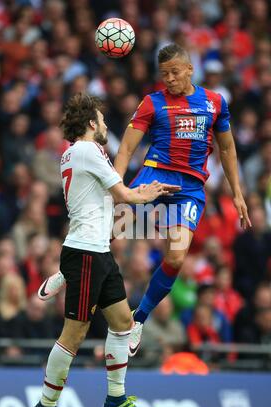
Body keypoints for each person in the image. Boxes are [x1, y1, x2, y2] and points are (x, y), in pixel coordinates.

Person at [38, 43, 251, 359]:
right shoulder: (152, 103)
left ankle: (138, 319)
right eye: (164, 74)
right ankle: (66, 273)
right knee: (112, 231)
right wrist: (117, 187)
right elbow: (124, 150)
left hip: (189, 189)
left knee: (177, 259)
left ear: (190, 70)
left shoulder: (214, 103)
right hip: (154, 178)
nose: (169, 79)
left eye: (175, 73)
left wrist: (237, 192)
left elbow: (229, 150)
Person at [31, 92, 179, 407]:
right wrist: (151, 192)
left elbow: (114, 197)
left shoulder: (75, 154)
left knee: (123, 322)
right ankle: (47, 405)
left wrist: (141, 193)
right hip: (85, 253)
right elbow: (124, 195)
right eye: (102, 119)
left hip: (95, 252)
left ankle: (115, 397)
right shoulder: (87, 150)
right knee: (75, 333)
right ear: (90, 124)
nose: (106, 125)